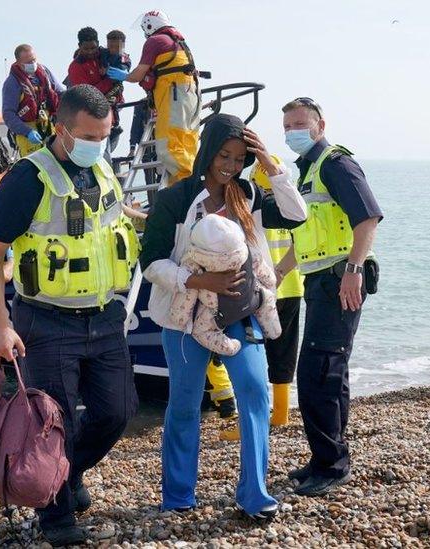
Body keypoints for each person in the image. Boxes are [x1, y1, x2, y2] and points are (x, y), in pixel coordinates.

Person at [0, 84, 140, 547]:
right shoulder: (28, 179)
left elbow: (107, 215)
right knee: (54, 423)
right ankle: (57, 519)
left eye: (106, 135)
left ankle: (67, 475)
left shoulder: (102, 167)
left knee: (117, 412)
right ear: (62, 129)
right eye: (89, 136)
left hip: (104, 316)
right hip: (46, 322)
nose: (98, 145)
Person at [139, 113, 307, 519]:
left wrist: (270, 164)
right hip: (184, 318)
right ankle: (178, 496)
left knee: (255, 392)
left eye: (239, 158)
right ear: (208, 151)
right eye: (224, 155)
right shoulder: (175, 199)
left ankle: (255, 496)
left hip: (240, 311)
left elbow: (298, 214)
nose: (231, 166)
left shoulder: (249, 195)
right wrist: (199, 282)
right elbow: (151, 263)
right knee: (183, 403)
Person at [262, 97, 382, 497]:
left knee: (317, 372)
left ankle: (332, 466)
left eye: (300, 123)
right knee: (329, 370)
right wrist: (280, 272)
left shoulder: (335, 163)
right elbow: (308, 234)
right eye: (287, 126)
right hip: (319, 280)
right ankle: (326, 457)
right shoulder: (308, 171)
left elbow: (367, 218)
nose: (293, 131)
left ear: (320, 124)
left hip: (339, 281)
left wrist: (353, 270)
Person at [107, 10, 200, 184]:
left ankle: (186, 187)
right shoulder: (178, 42)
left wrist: (124, 76)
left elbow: (138, 75)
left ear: (149, 25)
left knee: (168, 144)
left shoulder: (155, 41)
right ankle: (191, 182)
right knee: (187, 142)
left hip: (173, 95)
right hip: (190, 92)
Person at [249, 158, 304, 426]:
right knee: (284, 351)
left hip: (263, 292)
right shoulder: (291, 208)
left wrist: (275, 275)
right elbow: (300, 244)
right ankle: (281, 414)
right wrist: (282, 272)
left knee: (256, 351)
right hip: (292, 287)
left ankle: (255, 414)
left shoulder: (255, 207)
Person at [2, 44, 64, 158]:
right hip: (28, 135)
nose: (32, 64)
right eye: (28, 62)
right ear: (19, 63)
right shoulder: (12, 83)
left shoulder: (45, 73)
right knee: (33, 170)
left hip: (49, 128)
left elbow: (61, 92)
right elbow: (8, 115)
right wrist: (27, 132)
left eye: (33, 60)